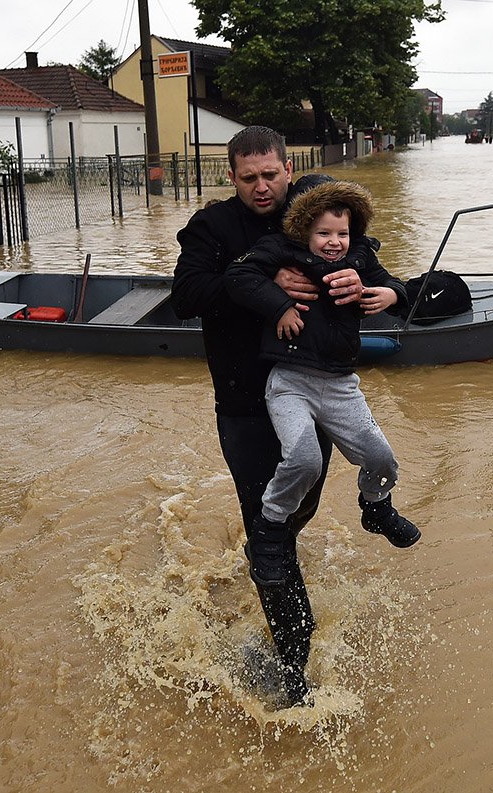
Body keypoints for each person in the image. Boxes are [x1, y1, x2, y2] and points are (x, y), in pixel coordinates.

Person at [171, 126, 369, 708]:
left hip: (310, 396)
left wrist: (367, 281)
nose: (262, 186)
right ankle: (293, 668)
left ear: (288, 169)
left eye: (270, 174)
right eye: (248, 177)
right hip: (244, 402)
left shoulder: (312, 214)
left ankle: (272, 563)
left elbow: (362, 246)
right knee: (269, 528)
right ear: (231, 178)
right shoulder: (214, 228)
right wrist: (264, 286)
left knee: (297, 508)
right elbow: (186, 295)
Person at [225, 180, 419, 592]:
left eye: (342, 233)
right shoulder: (281, 250)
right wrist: (278, 301)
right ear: (302, 231)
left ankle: (376, 507)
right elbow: (238, 276)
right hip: (290, 382)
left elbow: (399, 286)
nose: (334, 243)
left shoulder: (361, 255)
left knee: (381, 457)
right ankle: (270, 529)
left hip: (341, 385)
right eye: (324, 233)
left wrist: (387, 294)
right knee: (304, 460)